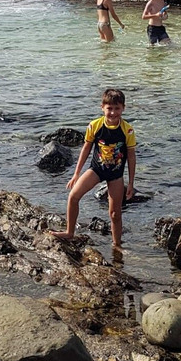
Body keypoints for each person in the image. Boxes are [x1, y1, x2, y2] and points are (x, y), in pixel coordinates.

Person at [49, 88, 136, 247]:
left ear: (123, 108)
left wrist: (130, 183)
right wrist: (76, 173)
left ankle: (117, 245)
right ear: (102, 107)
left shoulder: (127, 130)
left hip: (116, 174)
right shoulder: (94, 126)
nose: (112, 113)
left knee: (115, 214)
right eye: (109, 108)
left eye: (117, 108)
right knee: (73, 196)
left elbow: (131, 156)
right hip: (96, 169)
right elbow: (86, 149)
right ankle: (69, 232)